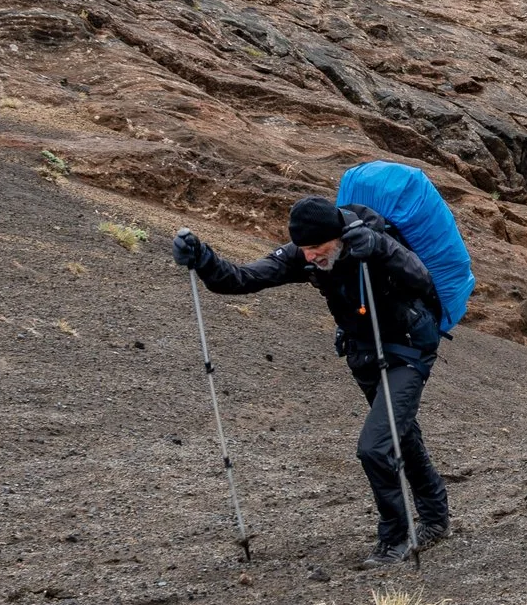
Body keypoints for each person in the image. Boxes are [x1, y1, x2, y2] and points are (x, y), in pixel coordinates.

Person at [172, 196, 450, 568]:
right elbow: (243, 278)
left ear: (337, 236)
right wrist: (204, 258)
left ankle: (395, 539)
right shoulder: (304, 255)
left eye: (317, 248)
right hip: (364, 354)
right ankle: (435, 517)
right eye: (304, 249)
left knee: (375, 446)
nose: (311, 257)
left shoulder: (373, 240)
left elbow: (421, 278)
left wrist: (381, 248)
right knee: (401, 436)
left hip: (408, 351)